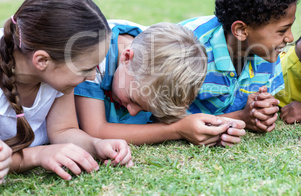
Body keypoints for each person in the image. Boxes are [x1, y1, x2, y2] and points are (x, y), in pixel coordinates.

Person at [0, 0, 133, 182]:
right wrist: (37, 155)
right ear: (42, 61)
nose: (90, 78)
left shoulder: (57, 79)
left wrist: (96, 144)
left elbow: (63, 130)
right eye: (84, 69)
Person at [74, 19, 246, 147]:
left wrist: (221, 127)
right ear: (127, 58)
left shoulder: (160, 67)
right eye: (133, 99)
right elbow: (96, 131)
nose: (133, 112)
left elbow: (178, 118)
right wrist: (177, 130)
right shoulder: (95, 56)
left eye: (146, 109)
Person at [181, 0, 301, 132]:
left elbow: (258, 106)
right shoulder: (189, 51)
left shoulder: (267, 52)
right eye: (282, 31)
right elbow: (167, 120)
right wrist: (240, 118)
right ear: (241, 30)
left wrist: (262, 111)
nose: (290, 37)